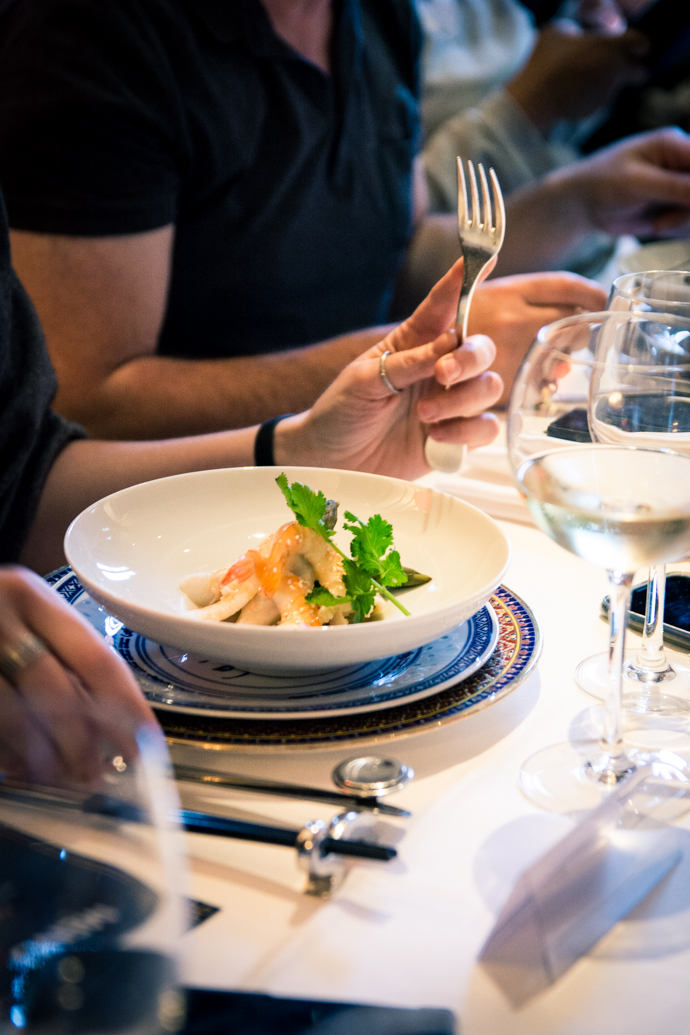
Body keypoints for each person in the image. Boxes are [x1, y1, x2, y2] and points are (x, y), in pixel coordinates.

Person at [0, 0, 605, 440]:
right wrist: (406, 360)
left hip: (356, 466)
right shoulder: (92, 36)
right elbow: (81, 403)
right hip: (175, 518)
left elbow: (396, 256)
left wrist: (583, 202)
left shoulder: (378, 16)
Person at [419, 0, 690, 278]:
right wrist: (525, 110)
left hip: (592, 261)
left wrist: (586, 201)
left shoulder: (539, 20)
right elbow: (399, 256)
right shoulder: (415, 27)